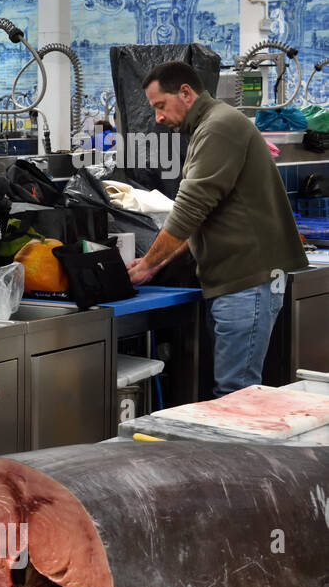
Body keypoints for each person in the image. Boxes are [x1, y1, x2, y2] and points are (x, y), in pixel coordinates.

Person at [128, 61, 307, 397]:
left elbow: (187, 210)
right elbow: (200, 218)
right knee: (233, 394)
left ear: (185, 92)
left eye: (159, 106)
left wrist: (147, 265)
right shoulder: (210, 126)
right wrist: (154, 264)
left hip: (246, 285)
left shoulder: (218, 128)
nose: (158, 118)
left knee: (234, 395)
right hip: (237, 285)